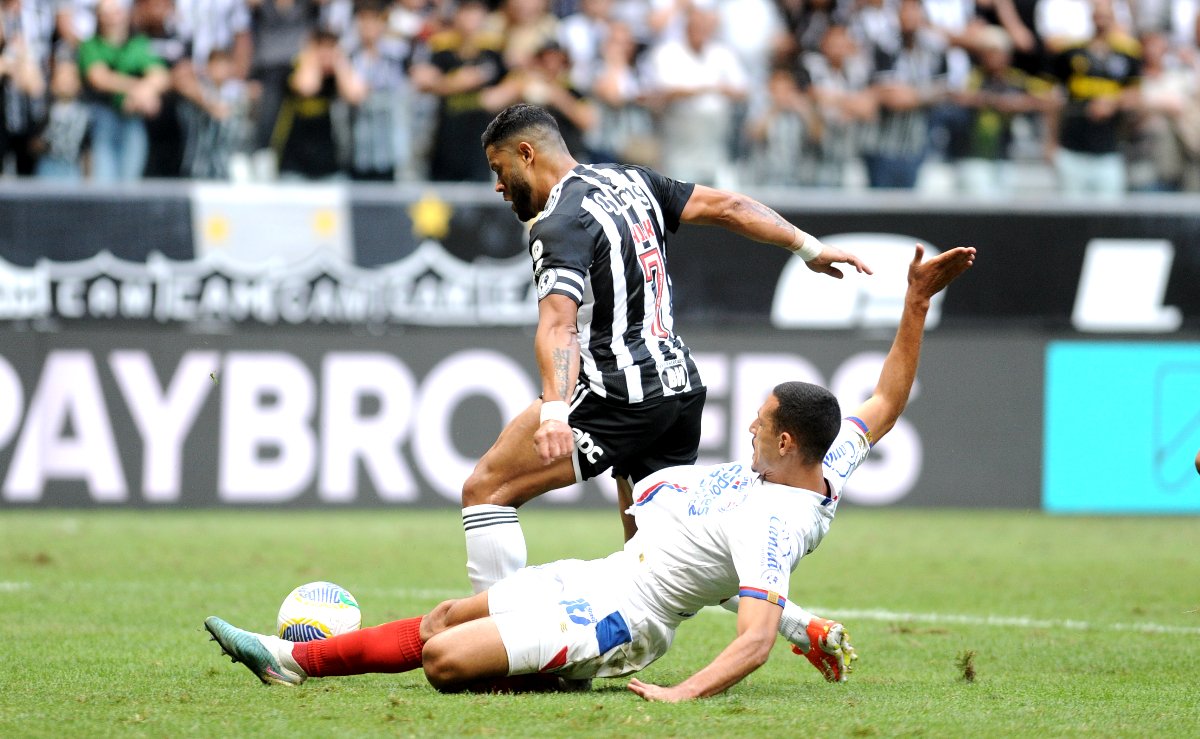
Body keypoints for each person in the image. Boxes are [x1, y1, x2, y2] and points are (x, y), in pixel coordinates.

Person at [203, 243, 978, 698]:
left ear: (784, 442)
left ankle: (559, 669)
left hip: (620, 621)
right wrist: (914, 299)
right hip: (603, 572)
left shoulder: (777, 520)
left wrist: (678, 694)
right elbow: (885, 399)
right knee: (443, 618)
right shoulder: (825, 456)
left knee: (442, 661)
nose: (747, 426)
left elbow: (751, 641)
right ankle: (290, 659)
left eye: (759, 421)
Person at [461, 103, 871, 596]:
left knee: (486, 490)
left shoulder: (560, 223)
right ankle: (785, 617)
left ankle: (492, 628)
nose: (499, 186)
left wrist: (554, 411)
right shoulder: (632, 180)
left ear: (526, 154)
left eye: (499, 168)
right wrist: (809, 247)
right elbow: (729, 207)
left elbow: (559, 325)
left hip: (616, 396)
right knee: (648, 562)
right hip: (678, 393)